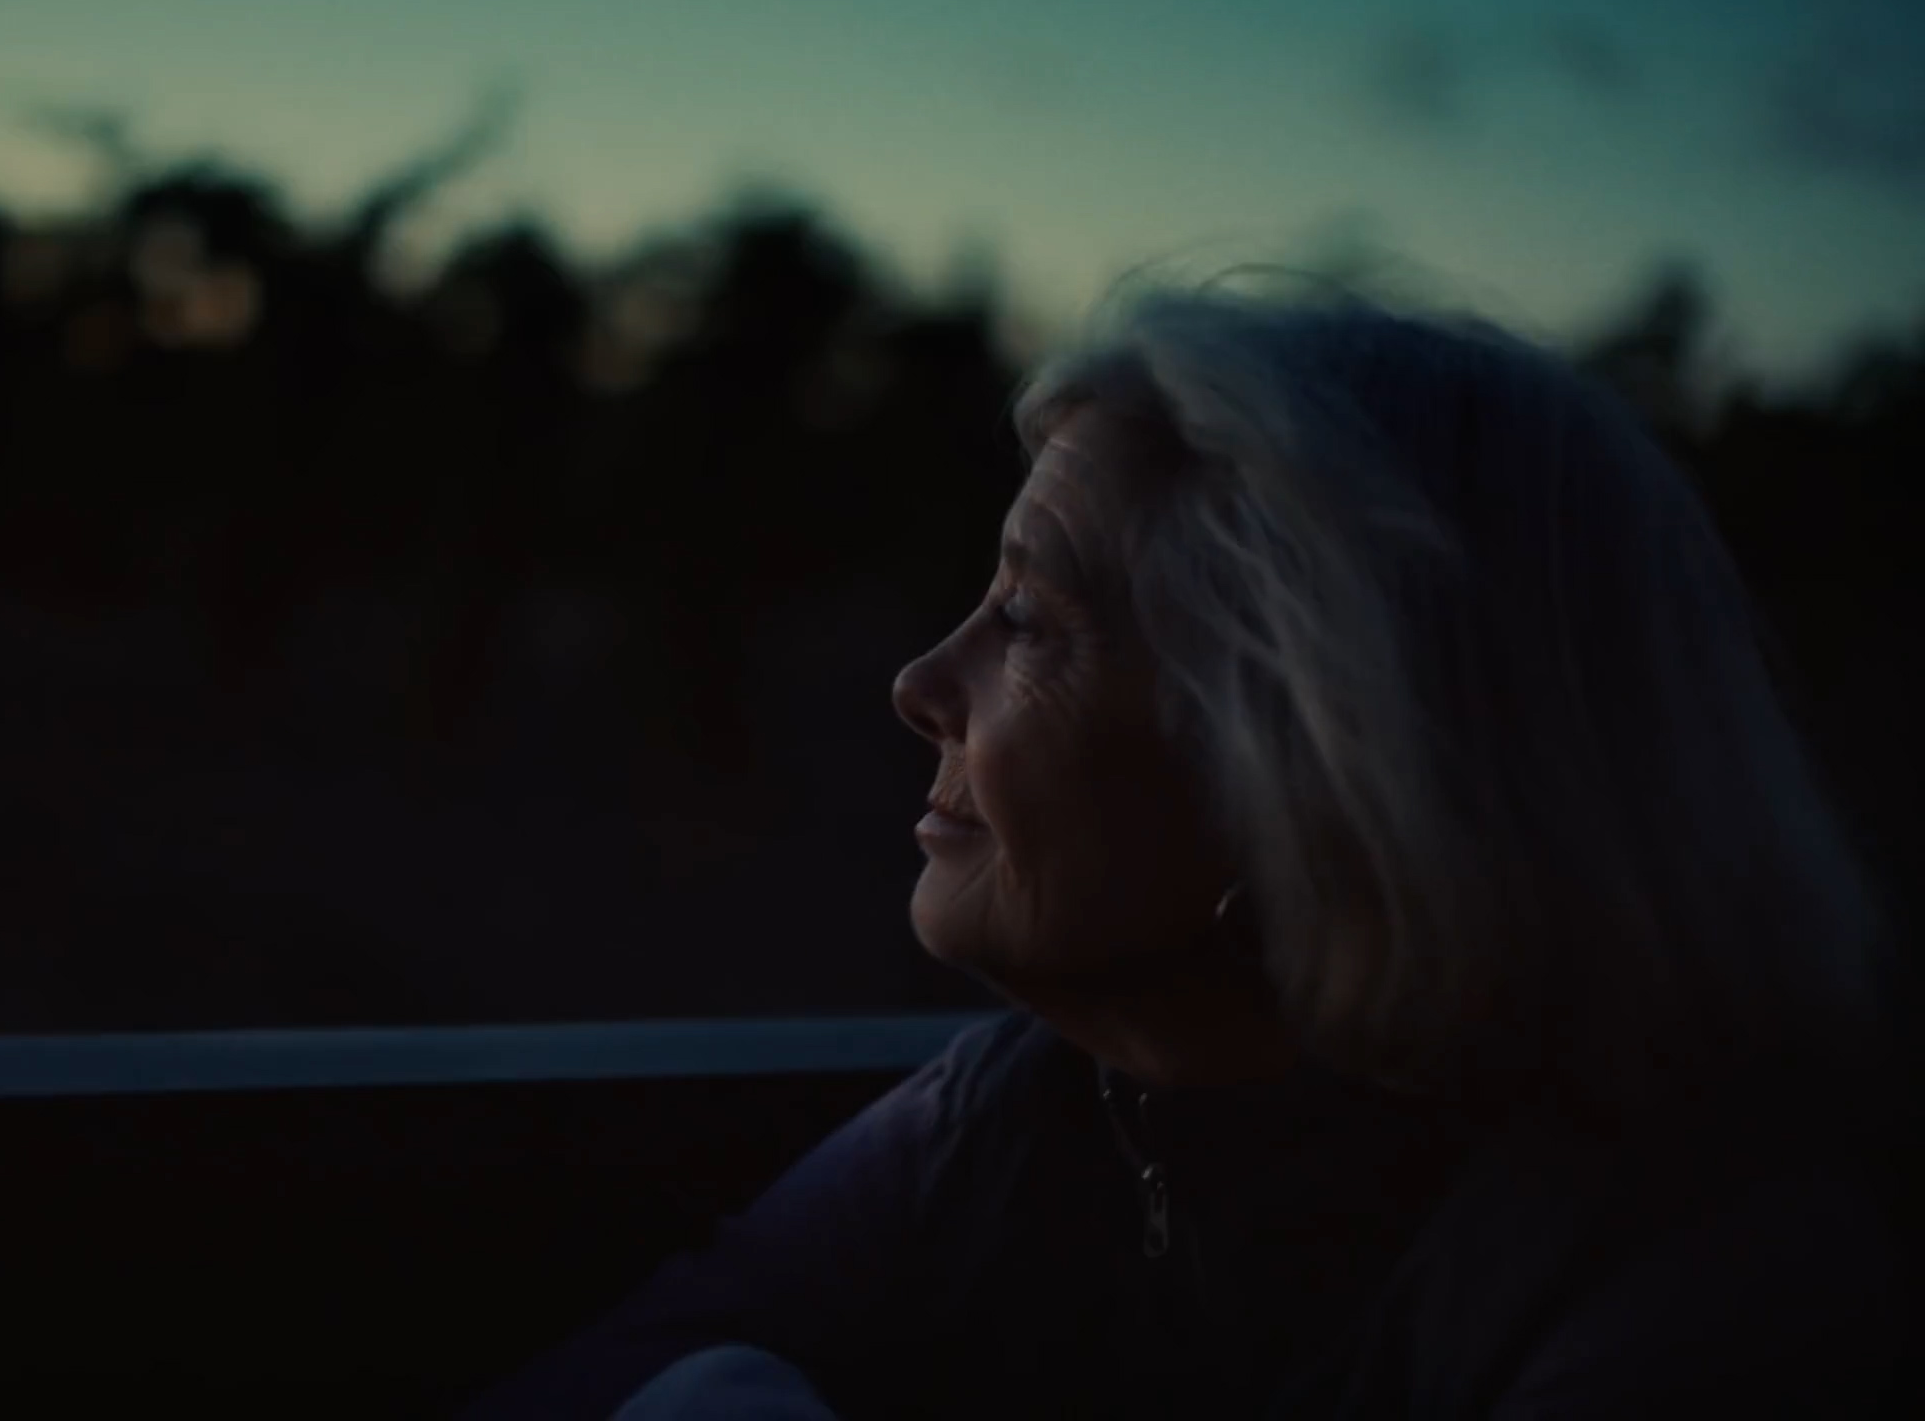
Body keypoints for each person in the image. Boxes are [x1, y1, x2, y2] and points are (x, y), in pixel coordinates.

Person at [461, 286, 1917, 1419]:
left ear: (1312, 765)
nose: (919, 682)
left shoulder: (1708, 1288)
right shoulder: (1033, 1112)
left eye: (1026, 620)